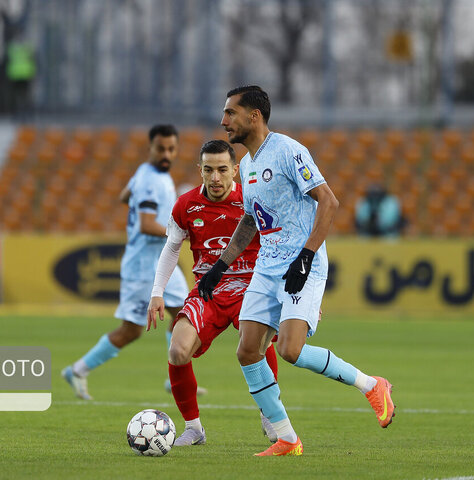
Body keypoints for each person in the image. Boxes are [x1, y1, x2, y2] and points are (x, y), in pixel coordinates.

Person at [198, 85, 396, 457]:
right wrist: (219, 267)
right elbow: (250, 221)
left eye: (231, 113)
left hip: (300, 265)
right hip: (267, 266)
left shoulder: (288, 151)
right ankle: (287, 438)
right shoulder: (251, 163)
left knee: (289, 350)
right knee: (247, 351)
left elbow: (329, 201)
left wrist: (306, 256)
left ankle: (372, 385)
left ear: (253, 116)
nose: (224, 121)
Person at [147, 139, 280, 447]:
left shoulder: (252, 199)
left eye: (223, 170)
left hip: (251, 288)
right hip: (208, 291)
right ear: (201, 171)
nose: (216, 178)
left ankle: (270, 414)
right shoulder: (186, 205)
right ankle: (193, 429)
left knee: (256, 344)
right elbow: (170, 249)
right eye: (209, 170)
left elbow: (279, 241)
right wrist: (157, 292)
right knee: (178, 351)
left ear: (235, 169)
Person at [62, 125, 190, 400]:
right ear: (150, 148)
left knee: (185, 315)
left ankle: (175, 376)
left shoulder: (147, 174)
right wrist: (181, 233)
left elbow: (124, 196)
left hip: (159, 261)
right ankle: (77, 370)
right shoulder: (150, 180)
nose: (166, 154)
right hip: (143, 267)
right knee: (131, 331)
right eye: (160, 148)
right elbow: (145, 224)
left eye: (171, 149)